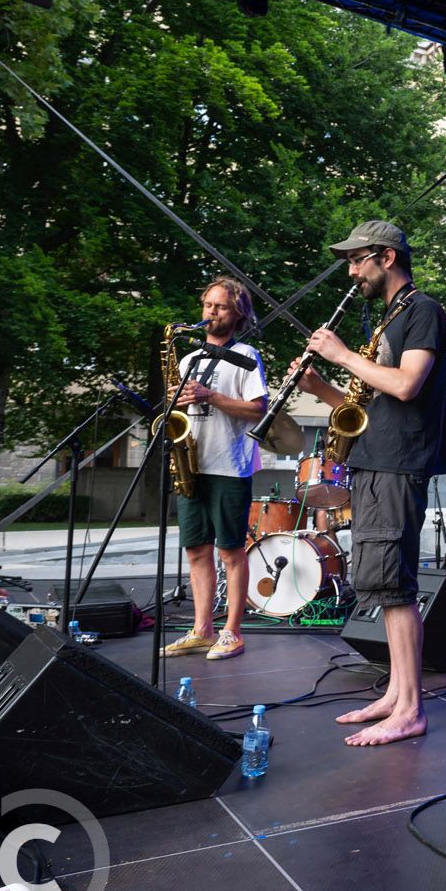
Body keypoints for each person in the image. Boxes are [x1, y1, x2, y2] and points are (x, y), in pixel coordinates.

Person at [292, 219, 446, 746]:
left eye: (357, 260)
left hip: (399, 463)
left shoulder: (422, 310)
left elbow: (406, 385)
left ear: (386, 257)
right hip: (376, 457)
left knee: (396, 588)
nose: (351, 272)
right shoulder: (389, 317)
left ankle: (411, 709)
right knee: (382, 585)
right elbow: (367, 406)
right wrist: (320, 386)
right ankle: (396, 694)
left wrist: (340, 354)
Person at [160, 276, 268, 662]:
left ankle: (232, 632)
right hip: (191, 464)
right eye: (208, 305)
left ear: (237, 313)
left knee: (230, 552)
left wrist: (212, 396)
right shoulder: (189, 360)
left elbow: (258, 409)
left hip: (229, 466)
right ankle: (201, 630)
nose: (211, 312)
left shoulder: (247, 355)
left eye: (220, 306)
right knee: (195, 551)